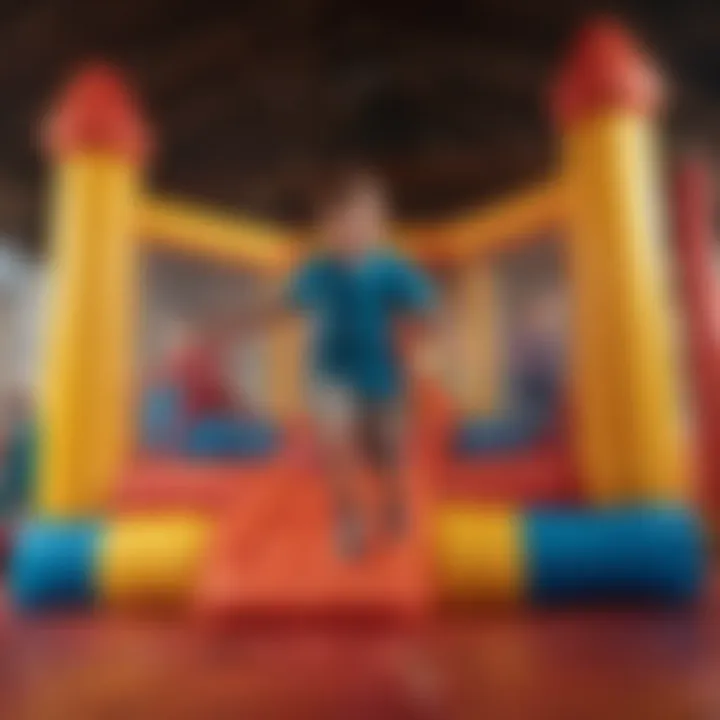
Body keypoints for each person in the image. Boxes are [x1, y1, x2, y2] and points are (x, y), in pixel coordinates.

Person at [229, 169, 437, 559]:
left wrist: (427, 326)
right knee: (335, 443)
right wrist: (237, 326)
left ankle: (394, 499)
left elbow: (423, 304)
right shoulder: (317, 271)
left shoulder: (390, 269)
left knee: (388, 451)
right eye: (340, 222)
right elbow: (281, 307)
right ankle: (349, 519)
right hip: (330, 377)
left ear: (378, 226)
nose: (351, 231)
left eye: (362, 220)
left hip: (381, 380)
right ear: (326, 228)